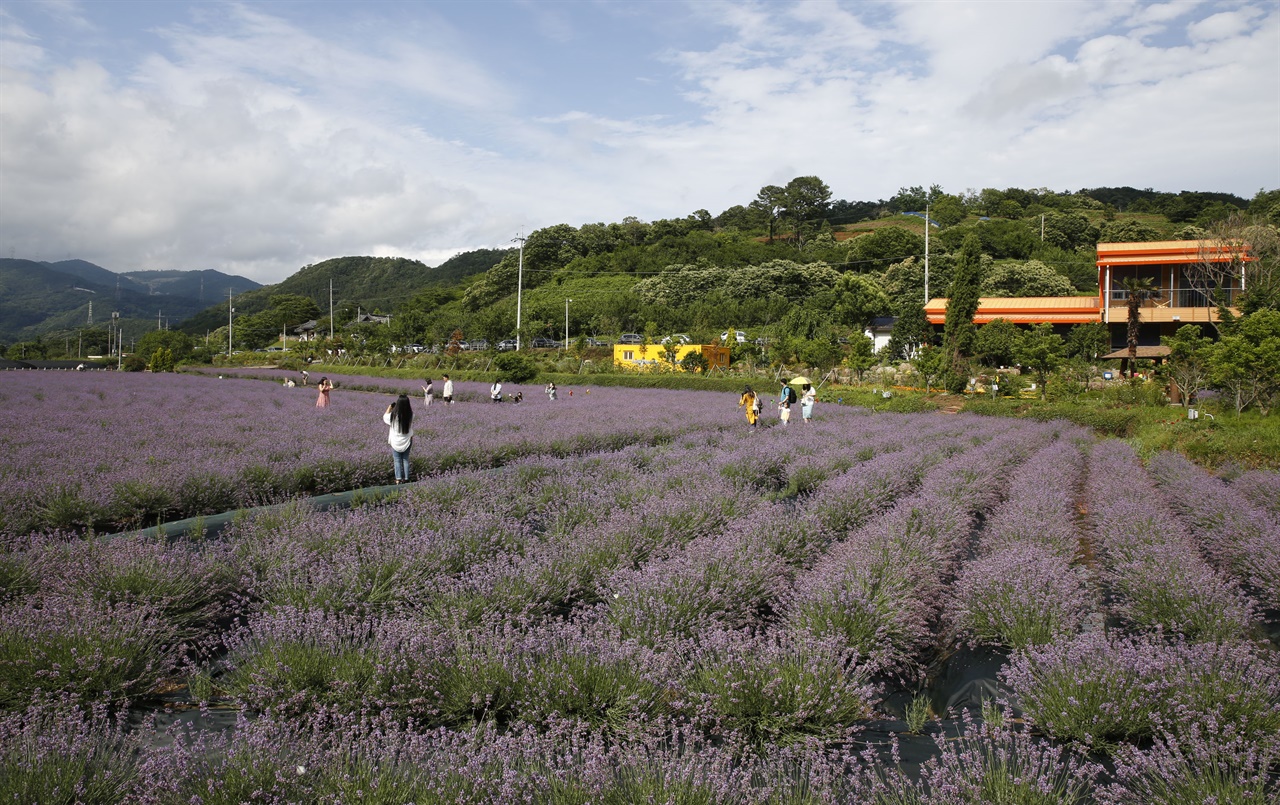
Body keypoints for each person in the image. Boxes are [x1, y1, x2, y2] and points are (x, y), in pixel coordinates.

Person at [383, 394, 414, 484]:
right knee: (405, 459)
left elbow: (385, 417)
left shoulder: (393, 416)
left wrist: (389, 407)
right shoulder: (411, 415)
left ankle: (398, 479)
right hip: (407, 440)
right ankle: (407, 478)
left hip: (395, 440)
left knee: (397, 460)